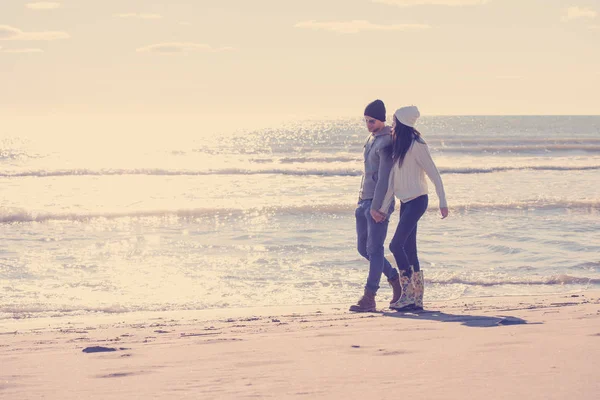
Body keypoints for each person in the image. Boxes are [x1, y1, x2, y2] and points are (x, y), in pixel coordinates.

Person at [372, 106, 448, 311]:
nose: (392, 125)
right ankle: (416, 300)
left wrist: (443, 201)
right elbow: (392, 183)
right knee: (410, 249)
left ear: (403, 123)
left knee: (396, 245)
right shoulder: (399, 146)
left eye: (395, 121)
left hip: (418, 201)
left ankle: (407, 294)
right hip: (405, 203)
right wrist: (383, 207)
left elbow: (433, 173)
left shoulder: (417, 145)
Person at [349, 100, 402, 313]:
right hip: (363, 200)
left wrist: (379, 206)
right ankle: (394, 278)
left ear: (382, 119)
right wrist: (361, 200)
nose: (368, 125)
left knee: (375, 248)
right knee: (363, 249)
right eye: (366, 121)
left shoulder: (387, 141)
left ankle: (369, 297)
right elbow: (367, 173)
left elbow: (384, 178)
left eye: (372, 121)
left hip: (377, 203)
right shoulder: (371, 138)